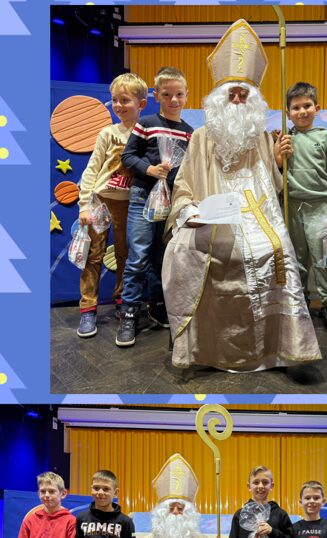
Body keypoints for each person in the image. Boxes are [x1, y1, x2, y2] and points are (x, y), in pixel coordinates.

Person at [163, 19, 321, 375]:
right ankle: (203, 347)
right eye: (231, 94)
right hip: (211, 217)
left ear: (254, 101)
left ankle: (281, 348)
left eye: (243, 94)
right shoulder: (201, 137)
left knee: (278, 251)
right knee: (185, 252)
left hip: (257, 216)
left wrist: (278, 162)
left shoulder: (261, 135)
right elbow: (184, 184)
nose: (237, 100)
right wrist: (188, 211)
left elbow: (274, 187)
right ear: (219, 98)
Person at [117, 66, 192, 347]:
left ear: (186, 95)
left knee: (163, 257)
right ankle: (129, 313)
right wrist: (149, 170)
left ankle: (157, 304)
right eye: (167, 94)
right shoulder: (146, 123)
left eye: (179, 94)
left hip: (172, 203)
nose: (173, 100)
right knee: (138, 256)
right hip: (142, 198)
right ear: (156, 95)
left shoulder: (189, 132)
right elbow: (128, 156)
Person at [75, 73, 146, 338]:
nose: (118, 105)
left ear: (141, 103)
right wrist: (85, 205)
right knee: (92, 256)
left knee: (125, 256)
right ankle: (88, 308)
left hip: (130, 204)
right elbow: (92, 170)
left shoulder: (146, 132)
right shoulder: (108, 133)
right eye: (115, 100)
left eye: (125, 100)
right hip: (101, 201)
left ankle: (122, 300)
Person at [277, 81, 327, 338]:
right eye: (296, 107)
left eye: (307, 105)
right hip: (291, 207)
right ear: (288, 112)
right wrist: (278, 158)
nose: (302, 111)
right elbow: (276, 174)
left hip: (320, 208)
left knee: (323, 261)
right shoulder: (284, 139)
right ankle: (300, 303)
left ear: (316, 108)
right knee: (295, 261)